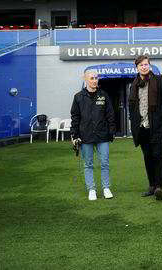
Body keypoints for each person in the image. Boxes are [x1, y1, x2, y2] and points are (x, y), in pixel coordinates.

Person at [128, 55, 162, 201]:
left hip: (156, 126)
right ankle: (152, 185)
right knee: (147, 157)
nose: (144, 67)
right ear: (137, 67)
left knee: (158, 156)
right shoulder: (133, 84)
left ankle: (159, 186)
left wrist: (159, 116)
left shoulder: (159, 81)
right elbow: (131, 106)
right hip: (141, 128)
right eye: (141, 65)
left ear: (149, 66)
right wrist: (133, 120)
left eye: (146, 64)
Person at [70, 69, 116, 201]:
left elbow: (110, 114)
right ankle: (92, 190)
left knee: (105, 163)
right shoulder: (78, 97)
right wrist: (75, 134)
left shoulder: (103, 95)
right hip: (85, 136)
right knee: (88, 164)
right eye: (92, 78)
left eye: (96, 78)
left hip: (102, 136)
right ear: (85, 79)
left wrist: (111, 131)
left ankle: (106, 188)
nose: (95, 81)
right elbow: (75, 117)